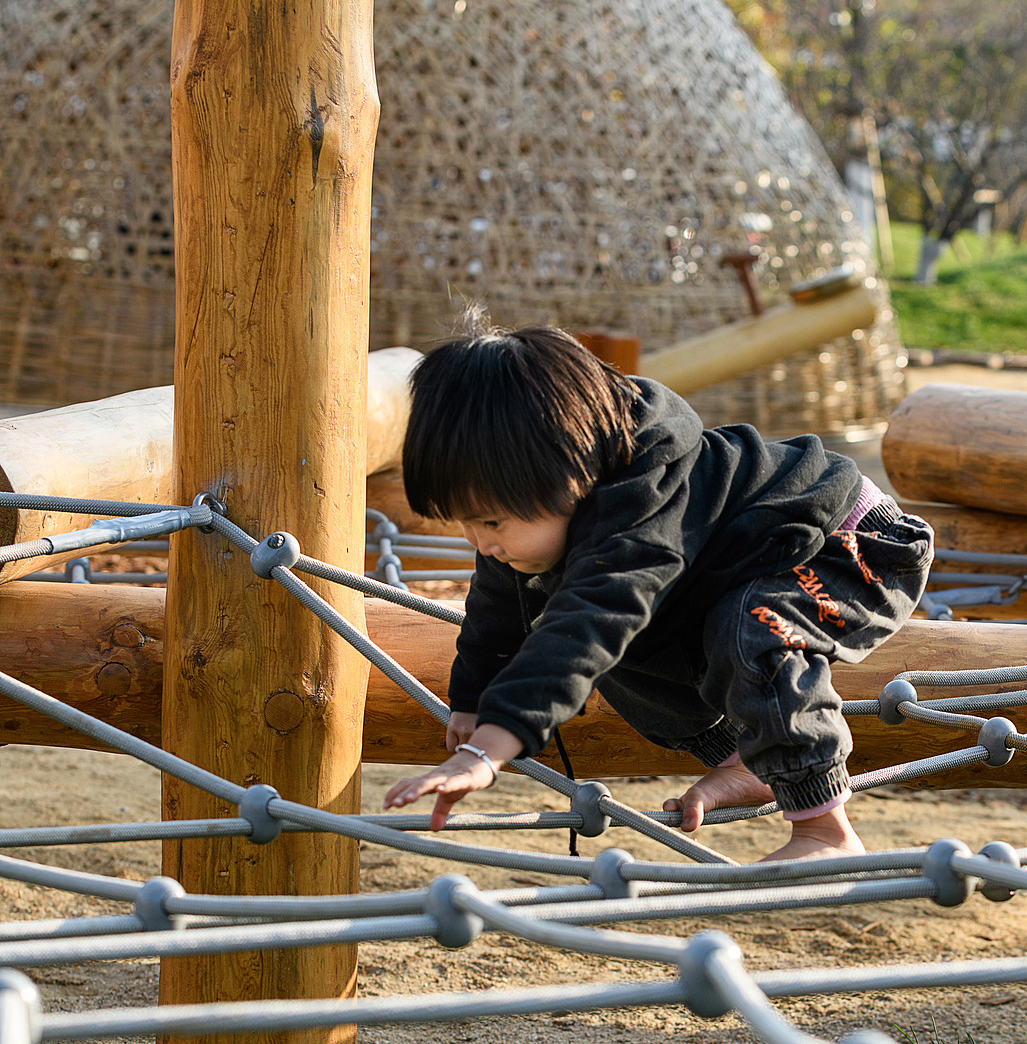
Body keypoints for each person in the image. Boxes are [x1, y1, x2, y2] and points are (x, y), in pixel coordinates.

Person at [383, 322, 933, 862]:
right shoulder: (541, 508)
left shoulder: (644, 493)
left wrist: (488, 751)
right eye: (465, 523)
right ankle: (746, 757)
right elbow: (498, 602)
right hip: (735, 568)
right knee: (627, 648)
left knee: (752, 627)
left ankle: (823, 828)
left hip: (850, 544)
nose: (480, 542)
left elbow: (592, 618)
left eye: (491, 522)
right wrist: (474, 699)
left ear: (570, 479)